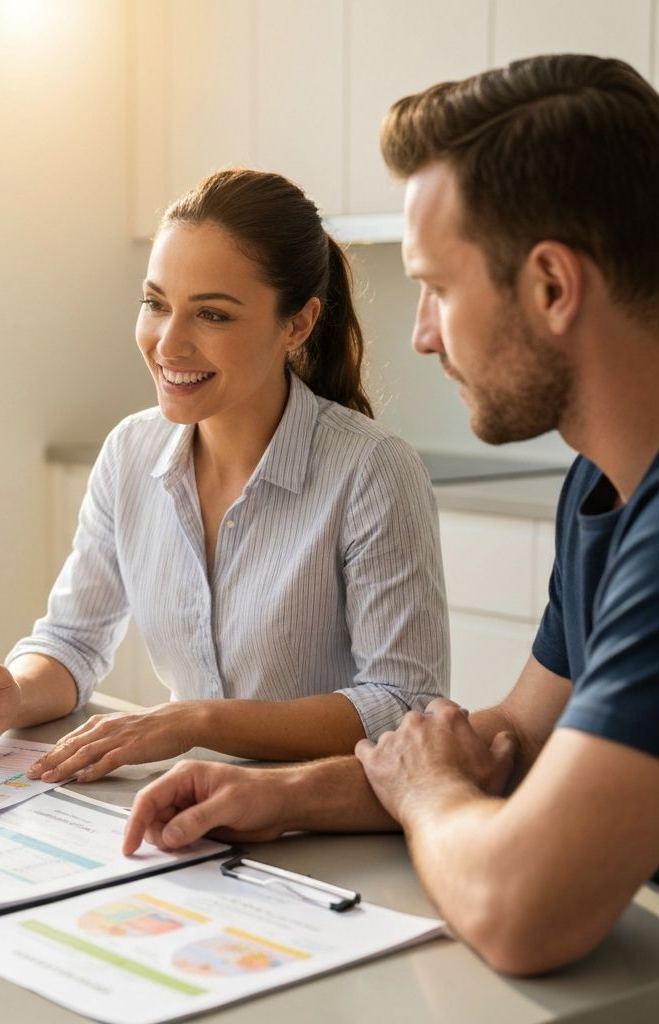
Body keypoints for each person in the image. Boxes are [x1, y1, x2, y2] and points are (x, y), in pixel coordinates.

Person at [122, 54, 659, 978]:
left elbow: (520, 909)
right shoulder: (603, 487)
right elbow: (515, 743)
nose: (419, 332)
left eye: (439, 289)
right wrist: (280, 794)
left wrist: (425, 793)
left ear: (552, 287)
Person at [0, 168, 448, 782]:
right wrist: (14, 692)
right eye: (155, 304)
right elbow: (71, 643)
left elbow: (404, 704)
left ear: (298, 324)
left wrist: (194, 721)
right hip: (186, 809)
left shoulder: (372, 471)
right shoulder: (130, 452)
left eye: (212, 315)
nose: (168, 344)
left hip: (319, 819)